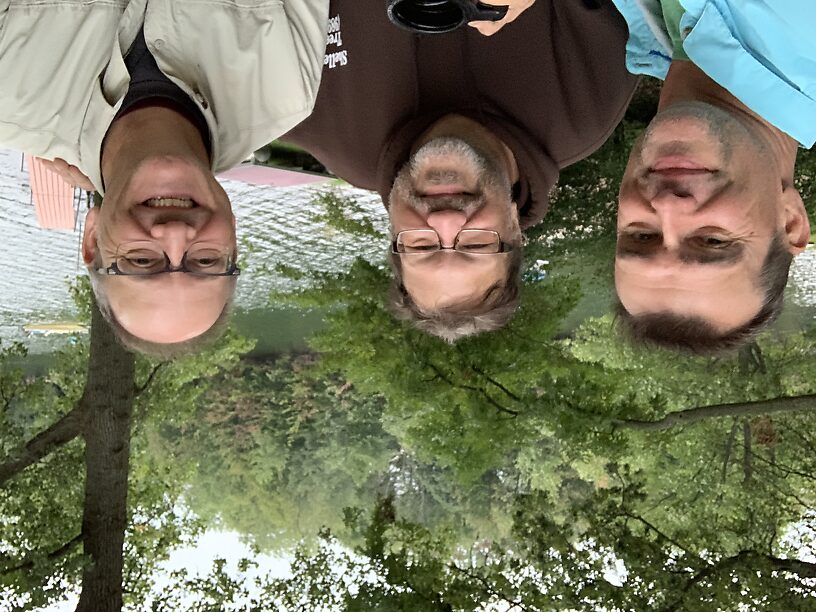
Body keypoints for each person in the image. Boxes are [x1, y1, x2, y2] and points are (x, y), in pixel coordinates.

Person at [283, 0, 638, 342]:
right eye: (476, 243)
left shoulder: (310, 116)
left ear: (393, 236)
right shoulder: (584, 105)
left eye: (422, 246)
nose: (446, 222)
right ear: (515, 229)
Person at [0, 0, 328, 355]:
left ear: (92, 239)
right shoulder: (286, 85)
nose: (175, 234)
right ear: (233, 235)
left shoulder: (10, 89)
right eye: (205, 260)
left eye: (141, 260)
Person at [612, 0, 815, 352]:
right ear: (790, 222)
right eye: (713, 241)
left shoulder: (653, 37)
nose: (667, 206)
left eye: (642, 236)